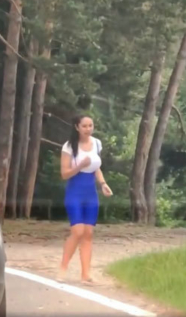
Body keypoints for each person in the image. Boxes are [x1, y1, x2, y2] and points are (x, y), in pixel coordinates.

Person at [57, 115, 113, 284]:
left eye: (91, 125)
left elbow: (97, 168)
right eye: (84, 126)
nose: (88, 129)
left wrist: (103, 184)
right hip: (74, 192)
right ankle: (63, 268)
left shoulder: (97, 143)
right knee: (77, 231)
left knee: (88, 233)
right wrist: (80, 166)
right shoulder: (69, 147)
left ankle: (85, 274)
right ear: (77, 127)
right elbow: (64, 174)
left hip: (91, 193)